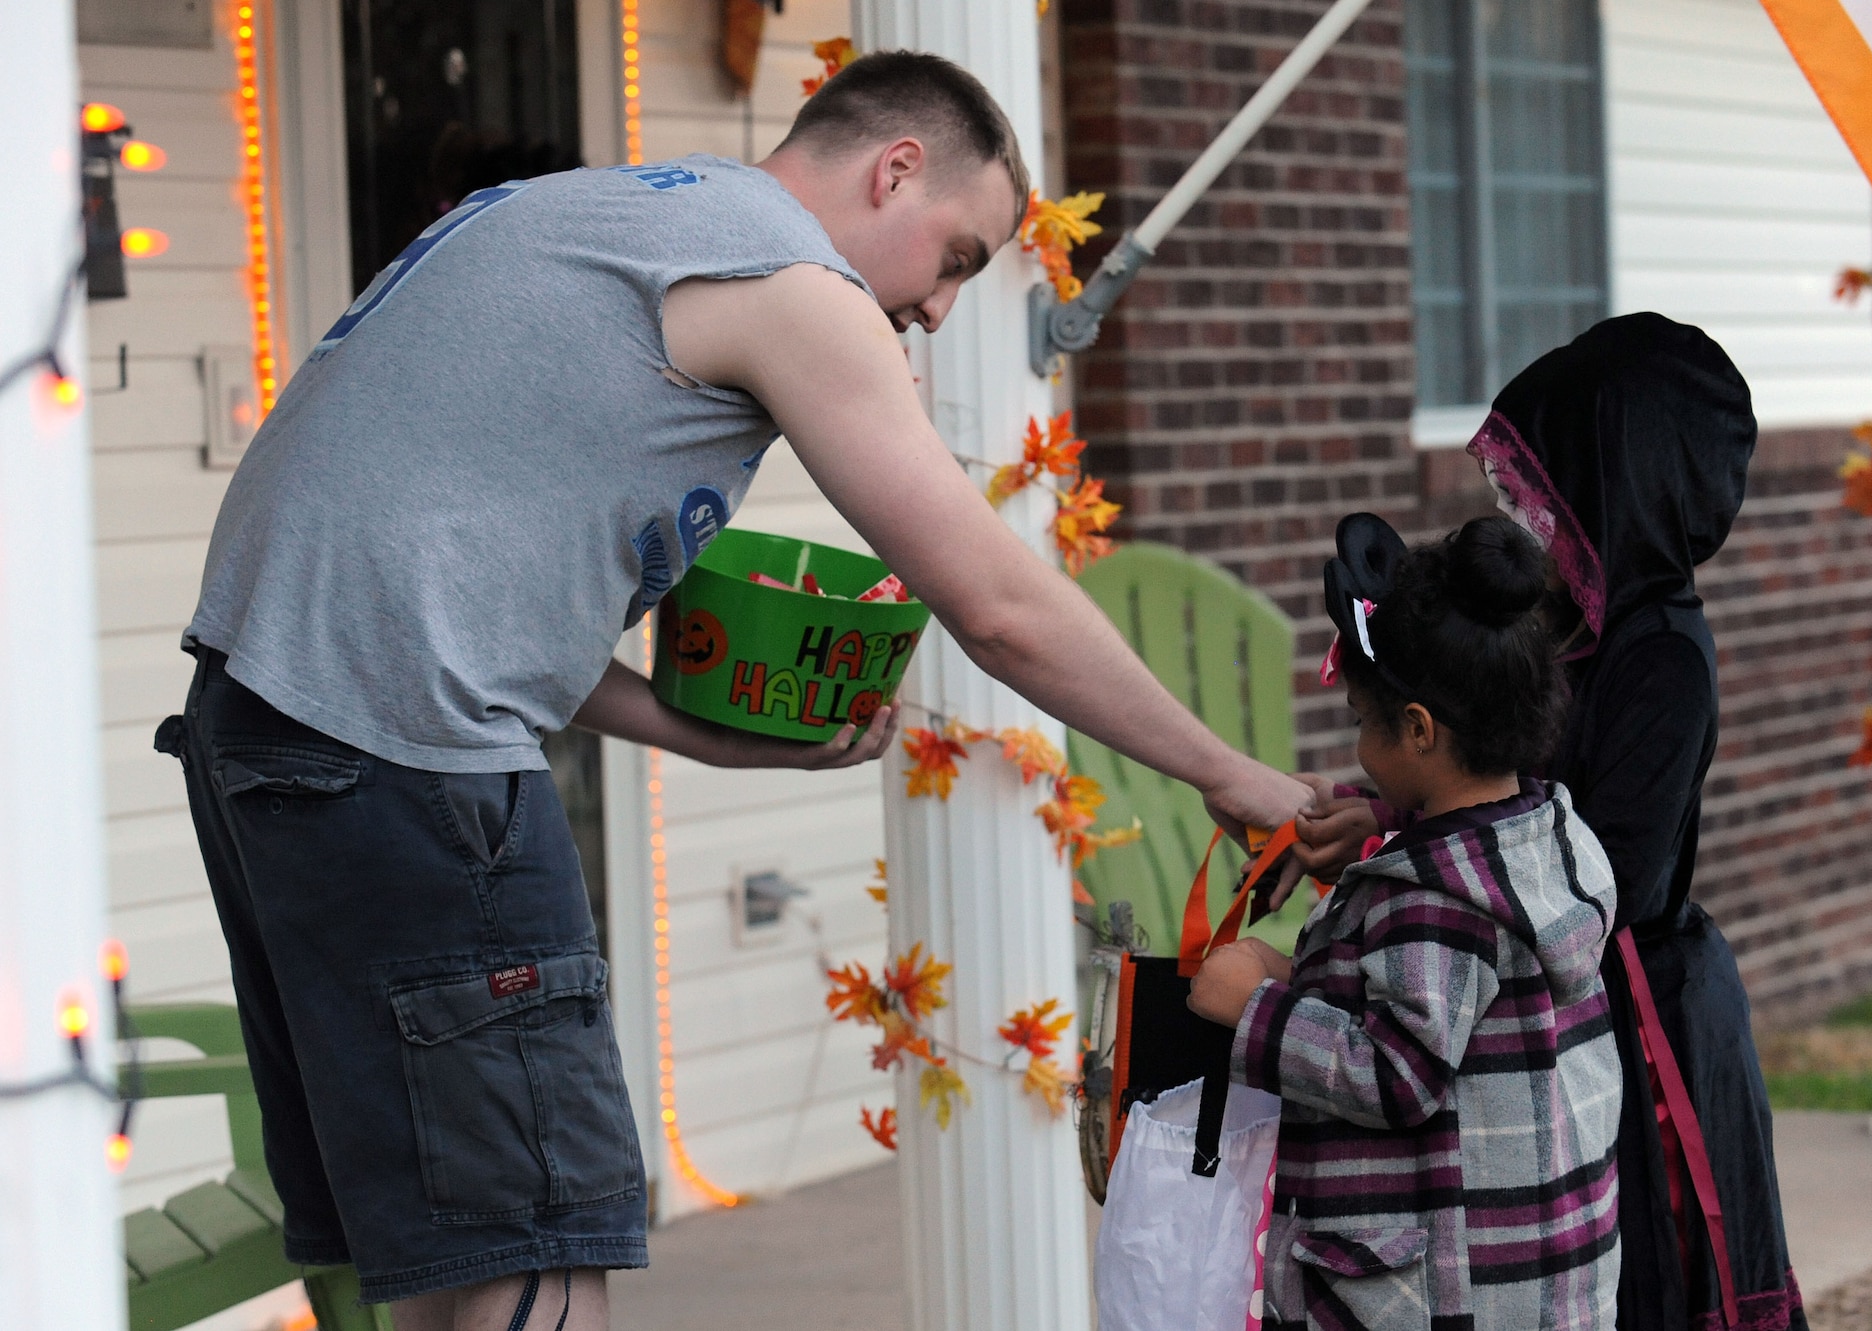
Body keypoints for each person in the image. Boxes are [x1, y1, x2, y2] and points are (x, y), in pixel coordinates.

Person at [160, 51, 1311, 1331]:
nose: (935, 311)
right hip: (410, 766)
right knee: (538, 1250)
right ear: (894, 170)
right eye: (958, 259)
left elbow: (438, 587)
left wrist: (699, 737)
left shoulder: (582, 212)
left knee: (449, 1251)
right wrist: (1226, 769)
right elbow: (994, 605)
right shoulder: (788, 278)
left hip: (264, 740)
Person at [1292, 314, 1803, 1330]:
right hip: (1530, 991)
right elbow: (1490, 787)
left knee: (1632, 1273)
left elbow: (1596, 867)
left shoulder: (1660, 656)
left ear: (1612, 484)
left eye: (1537, 488)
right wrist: (1381, 816)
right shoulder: (1559, 627)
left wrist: (1413, 847)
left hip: (1626, 1011)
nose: (1519, 512)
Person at [1191, 514, 1623, 1330]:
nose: (1355, 738)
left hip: (1434, 1295)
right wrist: (1309, 971)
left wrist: (1257, 1005)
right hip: (1538, 1273)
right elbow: (1452, 1020)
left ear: (1419, 728)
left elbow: (1396, 1072)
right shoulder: (1547, 841)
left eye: (1361, 717)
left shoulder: (1432, 897)